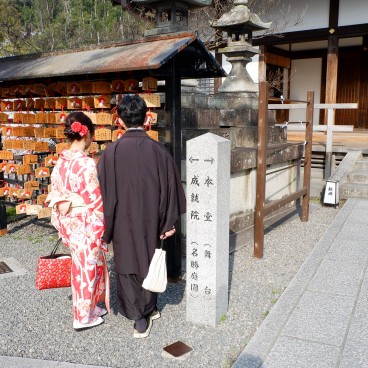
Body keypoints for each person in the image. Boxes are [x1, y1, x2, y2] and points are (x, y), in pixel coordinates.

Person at [97, 95, 186, 339]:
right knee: (149, 260)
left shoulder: (111, 153)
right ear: (147, 118)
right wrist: (168, 222)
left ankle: (139, 317)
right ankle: (149, 308)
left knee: (127, 264)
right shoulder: (158, 151)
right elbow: (170, 187)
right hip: (152, 220)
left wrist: (106, 228)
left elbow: (104, 193)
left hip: (122, 219)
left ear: (119, 121)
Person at [46, 112, 110, 331]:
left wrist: (61, 221)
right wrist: (104, 226)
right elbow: (95, 199)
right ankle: (82, 317)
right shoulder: (86, 164)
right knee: (87, 269)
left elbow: (54, 192)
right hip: (85, 222)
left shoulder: (60, 162)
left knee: (81, 266)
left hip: (69, 222)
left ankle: (91, 307)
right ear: (88, 134)